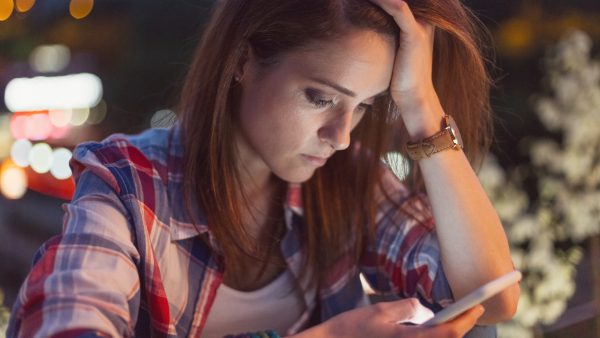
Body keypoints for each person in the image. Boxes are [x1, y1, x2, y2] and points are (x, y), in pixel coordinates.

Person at [7, 0, 520, 337]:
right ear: (243, 61)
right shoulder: (129, 183)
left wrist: (421, 106)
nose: (341, 137)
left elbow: (491, 297)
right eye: (320, 97)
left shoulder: (349, 181)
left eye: (365, 105)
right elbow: (68, 323)